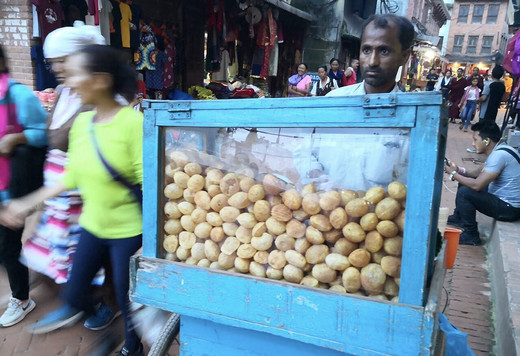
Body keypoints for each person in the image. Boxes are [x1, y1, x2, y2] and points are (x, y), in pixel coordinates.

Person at [0, 45, 144, 356]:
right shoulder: (82, 124)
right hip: (92, 226)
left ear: (102, 80)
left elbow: (148, 183)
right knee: (75, 295)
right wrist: (25, 204)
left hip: (128, 232)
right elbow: (71, 177)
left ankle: (132, 348)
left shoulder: (132, 124)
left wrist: (151, 240)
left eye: (76, 73)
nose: (69, 81)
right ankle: (106, 338)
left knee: (127, 297)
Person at [20, 23, 122, 331]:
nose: (57, 68)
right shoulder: (64, 92)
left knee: (93, 254)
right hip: (60, 191)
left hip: (85, 193)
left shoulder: (100, 97)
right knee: (62, 249)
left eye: (63, 60)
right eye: (53, 62)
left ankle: (107, 305)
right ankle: (76, 300)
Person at [0, 45, 48, 328]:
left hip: (11, 186)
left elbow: (44, 134)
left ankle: (21, 298)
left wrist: (16, 139)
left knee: (7, 245)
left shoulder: (17, 94)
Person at [445, 121, 520, 245]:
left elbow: (477, 185)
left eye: (475, 139)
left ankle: (471, 234)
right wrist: (458, 170)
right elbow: (478, 172)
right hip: (505, 203)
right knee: (464, 184)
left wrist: (453, 174)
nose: (473, 144)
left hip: (509, 209)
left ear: (487, 141)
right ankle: (459, 217)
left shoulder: (499, 156)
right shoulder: (501, 149)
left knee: (465, 192)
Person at [327, 14, 414, 96]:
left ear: (404, 56)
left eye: (384, 51)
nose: (372, 62)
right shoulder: (334, 100)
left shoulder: (413, 110)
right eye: (367, 50)